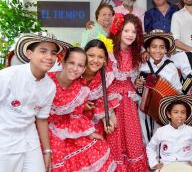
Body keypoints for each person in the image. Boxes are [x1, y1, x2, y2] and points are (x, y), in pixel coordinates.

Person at [0, 32, 71, 171]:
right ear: (29, 53)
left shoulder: (50, 86)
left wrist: (47, 151)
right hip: (5, 138)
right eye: (43, 51)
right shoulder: (8, 76)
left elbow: (42, 119)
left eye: (53, 53)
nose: (49, 57)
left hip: (29, 138)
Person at [48, 47, 116, 171]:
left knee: (98, 147)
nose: (75, 68)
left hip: (64, 130)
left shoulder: (81, 91)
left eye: (80, 65)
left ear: (84, 69)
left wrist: (90, 133)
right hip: (43, 130)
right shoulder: (47, 80)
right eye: (71, 63)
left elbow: (76, 117)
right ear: (63, 62)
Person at [106, 13, 149, 171]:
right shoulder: (108, 51)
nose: (130, 35)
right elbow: (103, 84)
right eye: (126, 31)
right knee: (114, 137)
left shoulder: (135, 52)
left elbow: (131, 78)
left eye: (134, 32)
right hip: (112, 102)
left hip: (129, 102)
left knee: (132, 139)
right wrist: (109, 111)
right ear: (118, 31)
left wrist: (136, 81)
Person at [135, 29, 182, 145]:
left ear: (166, 49)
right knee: (144, 134)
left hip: (162, 110)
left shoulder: (171, 68)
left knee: (160, 136)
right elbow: (133, 81)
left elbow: (178, 91)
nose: (158, 50)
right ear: (148, 49)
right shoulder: (141, 64)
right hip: (142, 106)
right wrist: (137, 82)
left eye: (162, 47)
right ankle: (147, 159)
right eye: (154, 47)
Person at [146, 95, 192, 171]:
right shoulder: (161, 131)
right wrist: (154, 163)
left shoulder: (191, 131)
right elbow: (150, 147)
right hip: (166, 165)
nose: (180, 115)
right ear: (169, 114)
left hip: (186, 166)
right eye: (176, 112)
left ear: (186, 115)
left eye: (183, 112)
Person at [81, 38, 121, 135]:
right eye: (91, 55)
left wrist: (106, 120)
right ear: (83, 56)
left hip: (94, 122)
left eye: (100, 57)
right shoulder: (75, 73)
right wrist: (81, 107)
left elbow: (103, 102)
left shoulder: (105, 78)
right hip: (72, 124)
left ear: (105, 61)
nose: (95, 60)